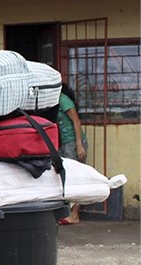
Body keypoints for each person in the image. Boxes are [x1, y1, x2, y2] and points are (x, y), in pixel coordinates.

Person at [58, 83, 88, 225]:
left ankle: (75, 214)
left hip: (72, 142)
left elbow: (76, 121)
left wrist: (79, 144)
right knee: (66, 177)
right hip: (64, 143)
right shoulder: (53, 101)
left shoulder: (63, 99)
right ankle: (69, 212)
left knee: (75, 178)